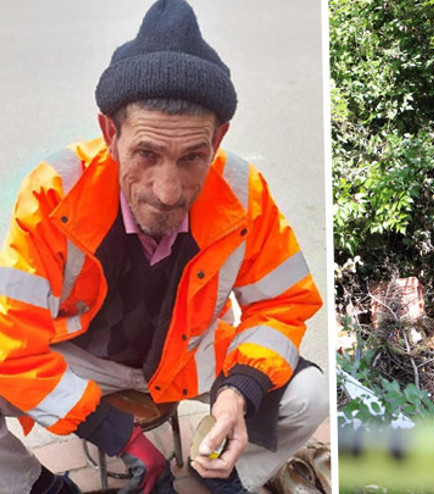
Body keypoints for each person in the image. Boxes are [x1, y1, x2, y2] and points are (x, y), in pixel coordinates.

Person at [0, 1, 328, 493]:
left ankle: (215, 475)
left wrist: (238, 392)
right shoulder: (54, 193)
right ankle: (36, 487)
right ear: (110, 134)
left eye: (193, 157)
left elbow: (284, 305)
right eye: (146, 154)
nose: (167, 191)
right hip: (80, 358)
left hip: (191, 355)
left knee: (312, 395)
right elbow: (14, 342)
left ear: (218, 140)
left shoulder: (245, 193)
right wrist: (120, 436)